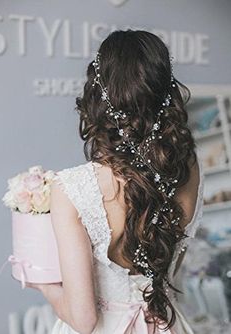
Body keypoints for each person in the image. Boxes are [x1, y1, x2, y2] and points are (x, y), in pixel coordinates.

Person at [26, 29, 204, 334]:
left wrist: (43, 286)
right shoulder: (189, 169)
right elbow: (171, 270)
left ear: (99, 93)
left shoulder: (71, 188)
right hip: (167, 324)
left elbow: (84, 320)